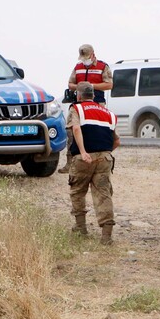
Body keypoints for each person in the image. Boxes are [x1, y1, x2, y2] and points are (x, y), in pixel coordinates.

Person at [68, 81, 120, 244]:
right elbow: (117, 141)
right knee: (103, 193)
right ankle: (106, 236)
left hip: (83, 159)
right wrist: (105, 153)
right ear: (93, 95)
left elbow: (76, 128)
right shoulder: (108, 113)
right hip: (104, 158)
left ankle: (81, 228)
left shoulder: (76, 108)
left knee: (78, 191)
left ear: (79, 95)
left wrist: (83, 152)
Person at [60, 44, 114, 174]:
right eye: (83, 58)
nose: (85, 61)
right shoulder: (78, 67)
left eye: (86, 58)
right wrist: (80, 87)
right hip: (79, 104)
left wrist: (91, 86)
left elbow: (109, 85)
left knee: (97, 132)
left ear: (93, 55)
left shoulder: (103, 67)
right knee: (72, 132)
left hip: (97, 103)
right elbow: (70, 84)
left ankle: (99, 160)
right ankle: (70, 162)